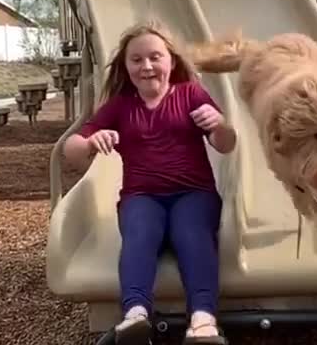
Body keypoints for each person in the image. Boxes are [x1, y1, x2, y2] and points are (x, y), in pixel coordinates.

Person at [62, 19, 237, 345]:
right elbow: (71, 151)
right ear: (126, 67)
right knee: (139, 235)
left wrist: (221, 124)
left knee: (192, 234)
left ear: (171, 60)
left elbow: (225, 144)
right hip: (142, 196)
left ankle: (202, 320)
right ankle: (136, 315)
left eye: (155, 57)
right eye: (137, 59)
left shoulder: (190, 94)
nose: (147, 66)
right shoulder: (120, 106)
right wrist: (89, 142)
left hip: (193, 193)